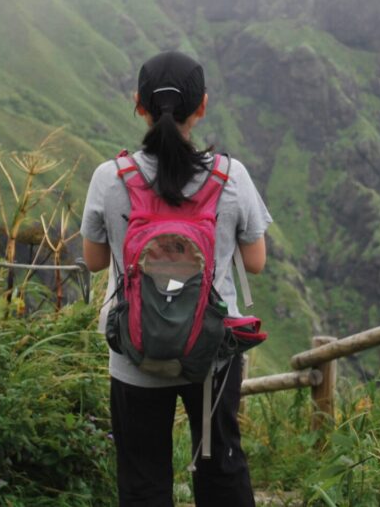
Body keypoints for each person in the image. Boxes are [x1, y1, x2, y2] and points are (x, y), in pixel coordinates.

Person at [81, 51, 272, 507]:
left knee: (143, 478)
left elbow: (92, 261)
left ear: (139, 105)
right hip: (212, 352)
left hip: (134, 351)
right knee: (222, 469)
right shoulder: (231, 176)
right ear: (202, 106)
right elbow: (257, 261)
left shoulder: (111, 178)